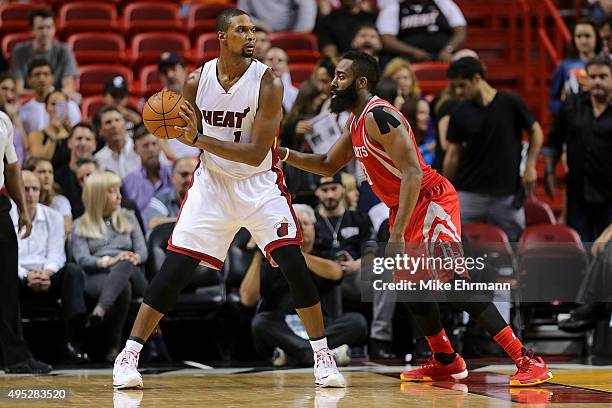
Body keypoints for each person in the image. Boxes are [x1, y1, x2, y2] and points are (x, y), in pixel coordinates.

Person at [277, 50, 552, 386]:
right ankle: (446, 359)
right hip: (405, 207)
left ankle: (527, 359)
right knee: (410, 287)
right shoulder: (356, 120)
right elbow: (326, 164)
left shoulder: (380, 116)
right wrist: (282, 153)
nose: (333, 84)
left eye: (341, 77)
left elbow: (412, 172)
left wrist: (396, 236)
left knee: (454, 284)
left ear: (360, 82)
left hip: (430, 200)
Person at [113, 9, 346, 389]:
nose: (251, 36)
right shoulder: (195, 80)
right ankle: (128, 355)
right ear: (222, 37)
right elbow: (183, 130)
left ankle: (323, 355)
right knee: (174, 272)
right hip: (213, 186)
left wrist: (198, 142)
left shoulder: (268, 83)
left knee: (293, 264)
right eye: (242, 30)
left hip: (259, 184)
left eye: (253, 30)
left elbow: (256, 153)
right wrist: (183, 135)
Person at [241, 204, 367, 367]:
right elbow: (247, 299)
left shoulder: (324, 251)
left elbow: (336, 273)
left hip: (320, 326)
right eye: (295, 224)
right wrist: (258, 253)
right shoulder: (270, 260)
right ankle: (319, 355)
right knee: (260, 323)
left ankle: (297, 353)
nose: (300, 229)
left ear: (315, 228)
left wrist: (293, 253)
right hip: (283, 327)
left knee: (356, 322)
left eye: (304, 224)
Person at [443, 57, 543, 242]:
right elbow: (453, 155)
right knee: (453, 242)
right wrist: (444, 192)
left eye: (462, 85)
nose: (458, 92)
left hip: (506, 195)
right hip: (468, 193)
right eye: (455, 87)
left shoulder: (511, 102)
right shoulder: (459, 112)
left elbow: (536, 131)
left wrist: (530, 165)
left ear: (477, 78)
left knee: (515, 247)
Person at [71, 171, 148, 363]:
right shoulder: (80, 224)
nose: (119, 195)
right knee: (124, 288)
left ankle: (100, 311)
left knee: (126, 264)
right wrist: (109, 261)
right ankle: (115, 347)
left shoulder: (129, 217)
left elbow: (143, 252)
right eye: (112, 191)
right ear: (97, 195)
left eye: (119, 190)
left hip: (132, 271)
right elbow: (82, 259)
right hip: (97, 275)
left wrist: (128, 258)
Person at [13, 170, 88, 363]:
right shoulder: (6, 216)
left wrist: (45, 273)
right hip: (18, 277)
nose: (30, 194)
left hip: (47, 275)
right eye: (25, 188)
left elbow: (57, 253)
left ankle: (73, 342)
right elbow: (6, 257)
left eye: (34, 189)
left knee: (72, 271)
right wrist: (26, 275)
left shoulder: (54, 216)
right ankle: (13, 348)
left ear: (41, 192)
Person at [0, 110, 52, 373]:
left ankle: (15, 358)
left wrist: (22, 209)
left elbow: (11, 168)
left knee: (7, 285)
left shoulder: (3, 120)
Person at [544, 56, 612, 242]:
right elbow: (554, 140)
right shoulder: (572, 104)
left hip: (609, 194)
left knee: (607, 253)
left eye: (603, 76)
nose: (597, 81)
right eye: (593, 76)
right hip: (578, 192)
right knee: (580, 248)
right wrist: (550, 171)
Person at [10, 9, 79, 98]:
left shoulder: (64, 50)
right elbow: (18, 90)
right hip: (29, 101)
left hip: (56, 100)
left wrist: (49, 96)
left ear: (54, 29)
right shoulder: (19, 51)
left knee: (73, 102)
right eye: (40, 28)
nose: (45, 32)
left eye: (49, 27)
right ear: (31, 31)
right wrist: (45, 94)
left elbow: (68, 88)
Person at [376, 0, 467, 62]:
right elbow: (387, 40)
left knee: (468, 57)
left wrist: (448, 49)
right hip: (407, 58)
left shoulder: (441, 2)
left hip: (445, 55)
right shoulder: (393, 7)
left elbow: (460, 30)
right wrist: (413, 52)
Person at [122, 127, 173, 227]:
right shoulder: (128, 182)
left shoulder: (174, 173)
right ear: (135, 150)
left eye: (154, 144)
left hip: (175, 231)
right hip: (145, 236)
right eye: (145, 146)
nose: (151, 149)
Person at [549, 19, 602, 115]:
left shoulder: (607, 63)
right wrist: (562, 112)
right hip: (573, 118)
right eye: (578, 36)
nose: (583, 40)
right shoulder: (563, 66)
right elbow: (554, 99)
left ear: (596, 38)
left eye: (587, 36)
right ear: (574, 39)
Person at [17, 58, 81, 136]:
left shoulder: (70, 106)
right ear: (29, 80)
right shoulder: (24, 110)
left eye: (46, 74)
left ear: (52, 77)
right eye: (37, 74)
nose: (41, 78)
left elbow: (78, 136)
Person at [147, 156, 199, 230]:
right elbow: (154, 223)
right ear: (173, 177)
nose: (190, 179)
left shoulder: (209, 200)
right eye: (184, 174)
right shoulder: (159, 199)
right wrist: (195, 222)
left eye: (195, 175)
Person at [23, 157, 72, 236]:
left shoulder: (60, 201)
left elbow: (65, 230)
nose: (47, 176)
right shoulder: (20, 201)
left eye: (50, 172)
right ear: (29, 173)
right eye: (42, 172)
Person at [27, 90, 72, 169]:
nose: (57, 108)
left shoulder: (73, 135)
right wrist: (53, 134)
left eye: (61, 104)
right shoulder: (36, 135)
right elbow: (38, 162)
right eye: (53, 104)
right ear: (46, 108)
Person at [94, 107, 142, 179]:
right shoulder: (98, 160)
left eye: (117, 120)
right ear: (100, 131)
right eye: (108, 122)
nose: (114, 125)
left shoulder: (142, 148)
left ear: (125, 125)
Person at [238, 0, 317, 32]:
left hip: (290, 32)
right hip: (259, 33)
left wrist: (297, 34)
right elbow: (241, 14)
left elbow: (308, 11)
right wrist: (257, 24)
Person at [0, 74, 28, 164]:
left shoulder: (18, 115)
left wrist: (14, 117)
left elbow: (26, 148)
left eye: (12, 90)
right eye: (4, 89)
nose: (9, 94)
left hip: (18, 170)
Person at [264, 47, 299, 113]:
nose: (275, 62)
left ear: (287, 66)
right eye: (270, 59)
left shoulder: (295, 94)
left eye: (280, 60)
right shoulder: (253, 89)